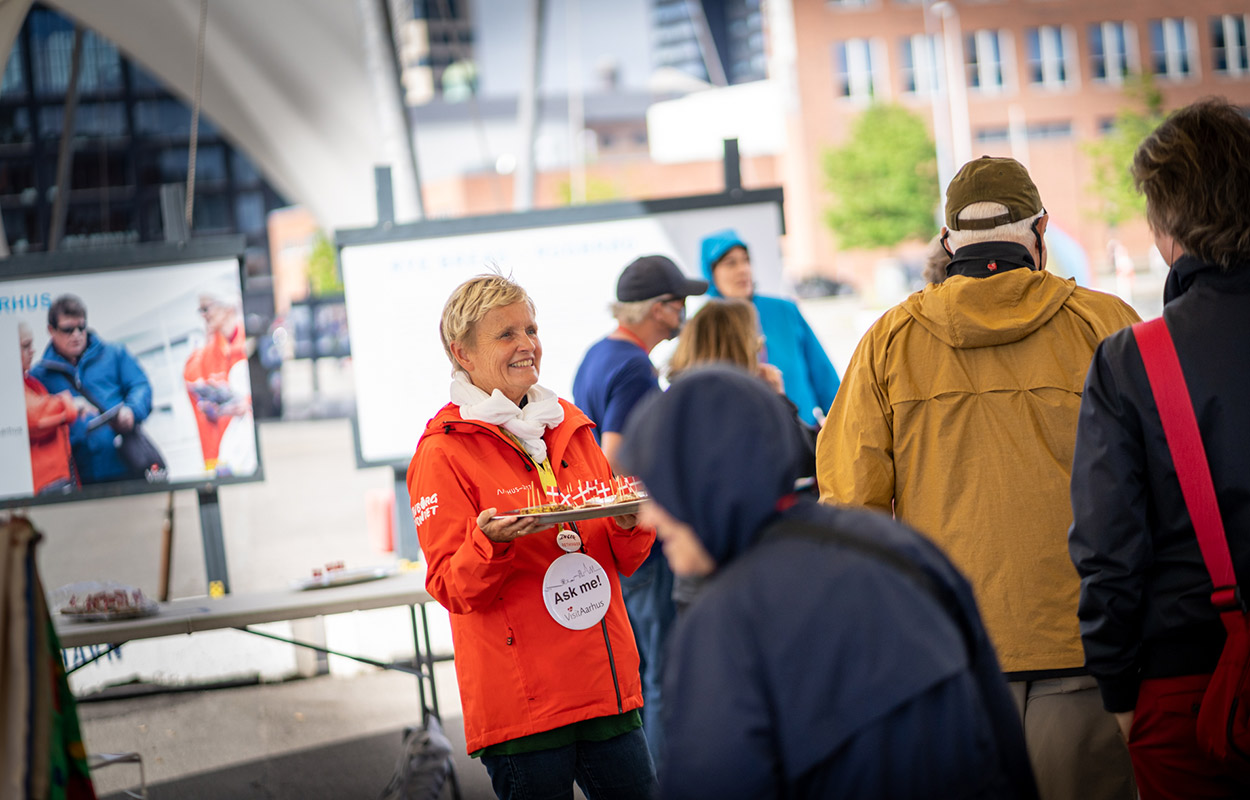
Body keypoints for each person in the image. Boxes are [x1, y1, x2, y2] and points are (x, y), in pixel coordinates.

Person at [816, 156, 1140, 800]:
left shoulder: (889, 341)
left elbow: (851, 509)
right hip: (1088, 651)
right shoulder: (1107, 325)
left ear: (947, 243)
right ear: (1040, 230)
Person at [618, 365, 1038, 800]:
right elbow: (999, 723)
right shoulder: (899, 546)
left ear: (700, 482)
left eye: (659, 488)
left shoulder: (726, 617)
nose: (649, 515)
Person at [407, 273, 658, 799]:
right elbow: (452, 587)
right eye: (506, 334)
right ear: (463, 353)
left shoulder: (571, 424)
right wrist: (491, 543)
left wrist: (630, 520)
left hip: (604, 686)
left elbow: (622, 557)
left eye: (531, 329)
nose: (527, 345)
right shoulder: (442, 452)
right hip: (525, 707)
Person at [1068, 98, 1250, 799]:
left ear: (1169, 223)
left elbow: (1108, 551)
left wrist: (1117, 688)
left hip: (1187, 685)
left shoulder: (1133, 360)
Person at [571, 254, 705, 769]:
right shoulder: (633, 367)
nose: (686, 312)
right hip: (638, 541)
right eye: (680, 303)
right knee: (663, 670)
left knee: (644, 668)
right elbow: (615, 457)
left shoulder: (597, 353)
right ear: (658, 310)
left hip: (612, 540)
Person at [699, 229, 840, 424]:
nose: (743, 269)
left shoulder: (783, 310)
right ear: (710, 273)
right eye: (730, 263)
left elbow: (824, 377)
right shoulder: (704, 325)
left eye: (746, 260)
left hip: (802, 432)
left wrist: (843, 425)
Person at [28, 293, 154, 485]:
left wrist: (132, 410)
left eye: (81, 327)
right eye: (68, 329)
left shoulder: (115, 353)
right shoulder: (39, 376)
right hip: (78, 476)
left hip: (126, 463)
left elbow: (140, 386)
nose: (76, 335)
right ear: (51, 330)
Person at [184, 293, 257, 476]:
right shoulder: (205, 354)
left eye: (207, 308)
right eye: (200, 310)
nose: (203, 315)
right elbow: (192, 381)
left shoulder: (251, 345)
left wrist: (246, 405)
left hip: (249, 453)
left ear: (229, 309)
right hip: (224, 457)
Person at [19, 321, 78, 494]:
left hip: (56, 478)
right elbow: (35, 416)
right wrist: (69, 404)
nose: (32, 350)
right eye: (25, 346)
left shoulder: (28, 382)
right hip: (45, 484)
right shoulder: (9, 385)